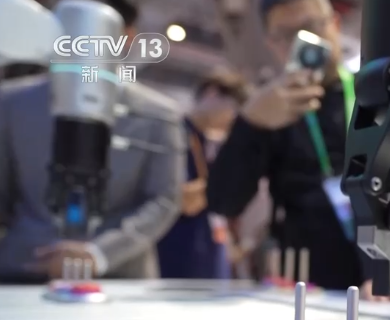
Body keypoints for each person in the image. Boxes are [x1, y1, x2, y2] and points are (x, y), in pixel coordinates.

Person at [0, 0, 184, 281]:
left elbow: (164, 199)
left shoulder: (159, 115)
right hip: (22, 271)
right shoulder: (12, 103)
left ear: (126, 36)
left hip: (120, 277)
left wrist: (99, 254)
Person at [208, 0, 364, 290]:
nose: (303, 41)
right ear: (272, 43)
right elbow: (223, 201)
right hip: (307, 281)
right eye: (286, 34)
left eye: (311, 26)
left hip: (389, 275)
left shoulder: (373, 92)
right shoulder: (268, 109)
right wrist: (250, 124)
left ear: (335, 24)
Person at [157, 70, 249, 279]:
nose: (233, 119)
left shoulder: (206, 141)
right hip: (177, 257)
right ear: (212, 93)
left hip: (204, 256)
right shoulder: (173, 132)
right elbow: (173, 197)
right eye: (234, 109)